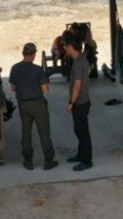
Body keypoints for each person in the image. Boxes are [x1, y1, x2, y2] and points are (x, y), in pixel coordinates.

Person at [9, 42, 58, 171]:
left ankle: (28, 161)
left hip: (23, 105)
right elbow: (45, 90)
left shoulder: (15, 68)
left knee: (26, 134)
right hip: (38, 105)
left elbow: (13, 88)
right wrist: (45, 86)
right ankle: (48, 161)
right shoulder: (37, 69)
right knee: (44, 133)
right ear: (33, 54)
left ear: (23, 53)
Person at [62, 34, 93, 171]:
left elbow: (77, 86)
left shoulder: (79, 63)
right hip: (82, 101)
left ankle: (86, 160)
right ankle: (81, 155)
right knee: (79, 130)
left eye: (65, 46)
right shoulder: (81, 60)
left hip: (80, 103)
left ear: (69, 47)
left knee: (82, 132)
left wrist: (71, 102)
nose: (64, 48)